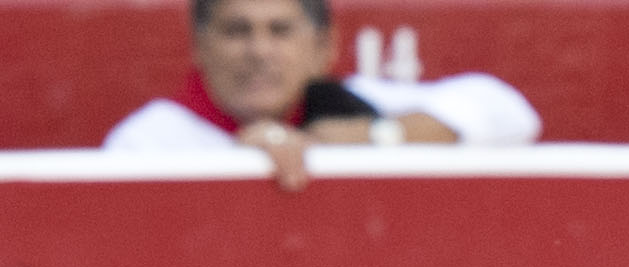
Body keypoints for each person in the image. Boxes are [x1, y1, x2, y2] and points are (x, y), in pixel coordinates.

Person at [103, 0, 539, 192]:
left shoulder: (351, 103)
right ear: (199, 46)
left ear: (322, 49)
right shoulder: (146, 142)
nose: (259, 51)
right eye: (237, 31)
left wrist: (366, 137)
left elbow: (508, 112)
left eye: (280, 30)